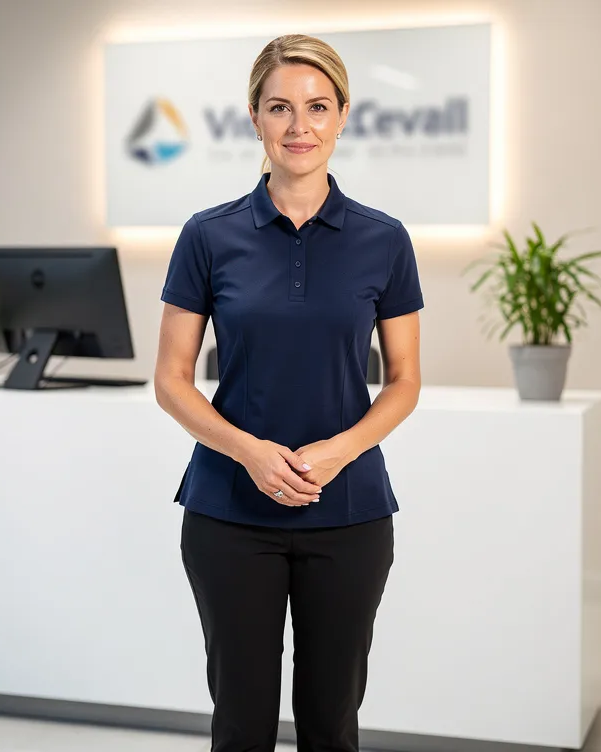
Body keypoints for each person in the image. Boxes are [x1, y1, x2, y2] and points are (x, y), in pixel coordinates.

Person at [154, 34, 424, 750]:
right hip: (228, 513)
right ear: (255, 118)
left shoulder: (385, 240)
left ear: (342, 117)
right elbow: (171, 381)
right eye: (280, 107)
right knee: (240, 722)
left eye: (316, 107)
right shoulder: (207, 236)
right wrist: (250, 454)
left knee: (331, 722)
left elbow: (404, 382)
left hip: (350, 512)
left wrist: (338, 452)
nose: (299, 126)